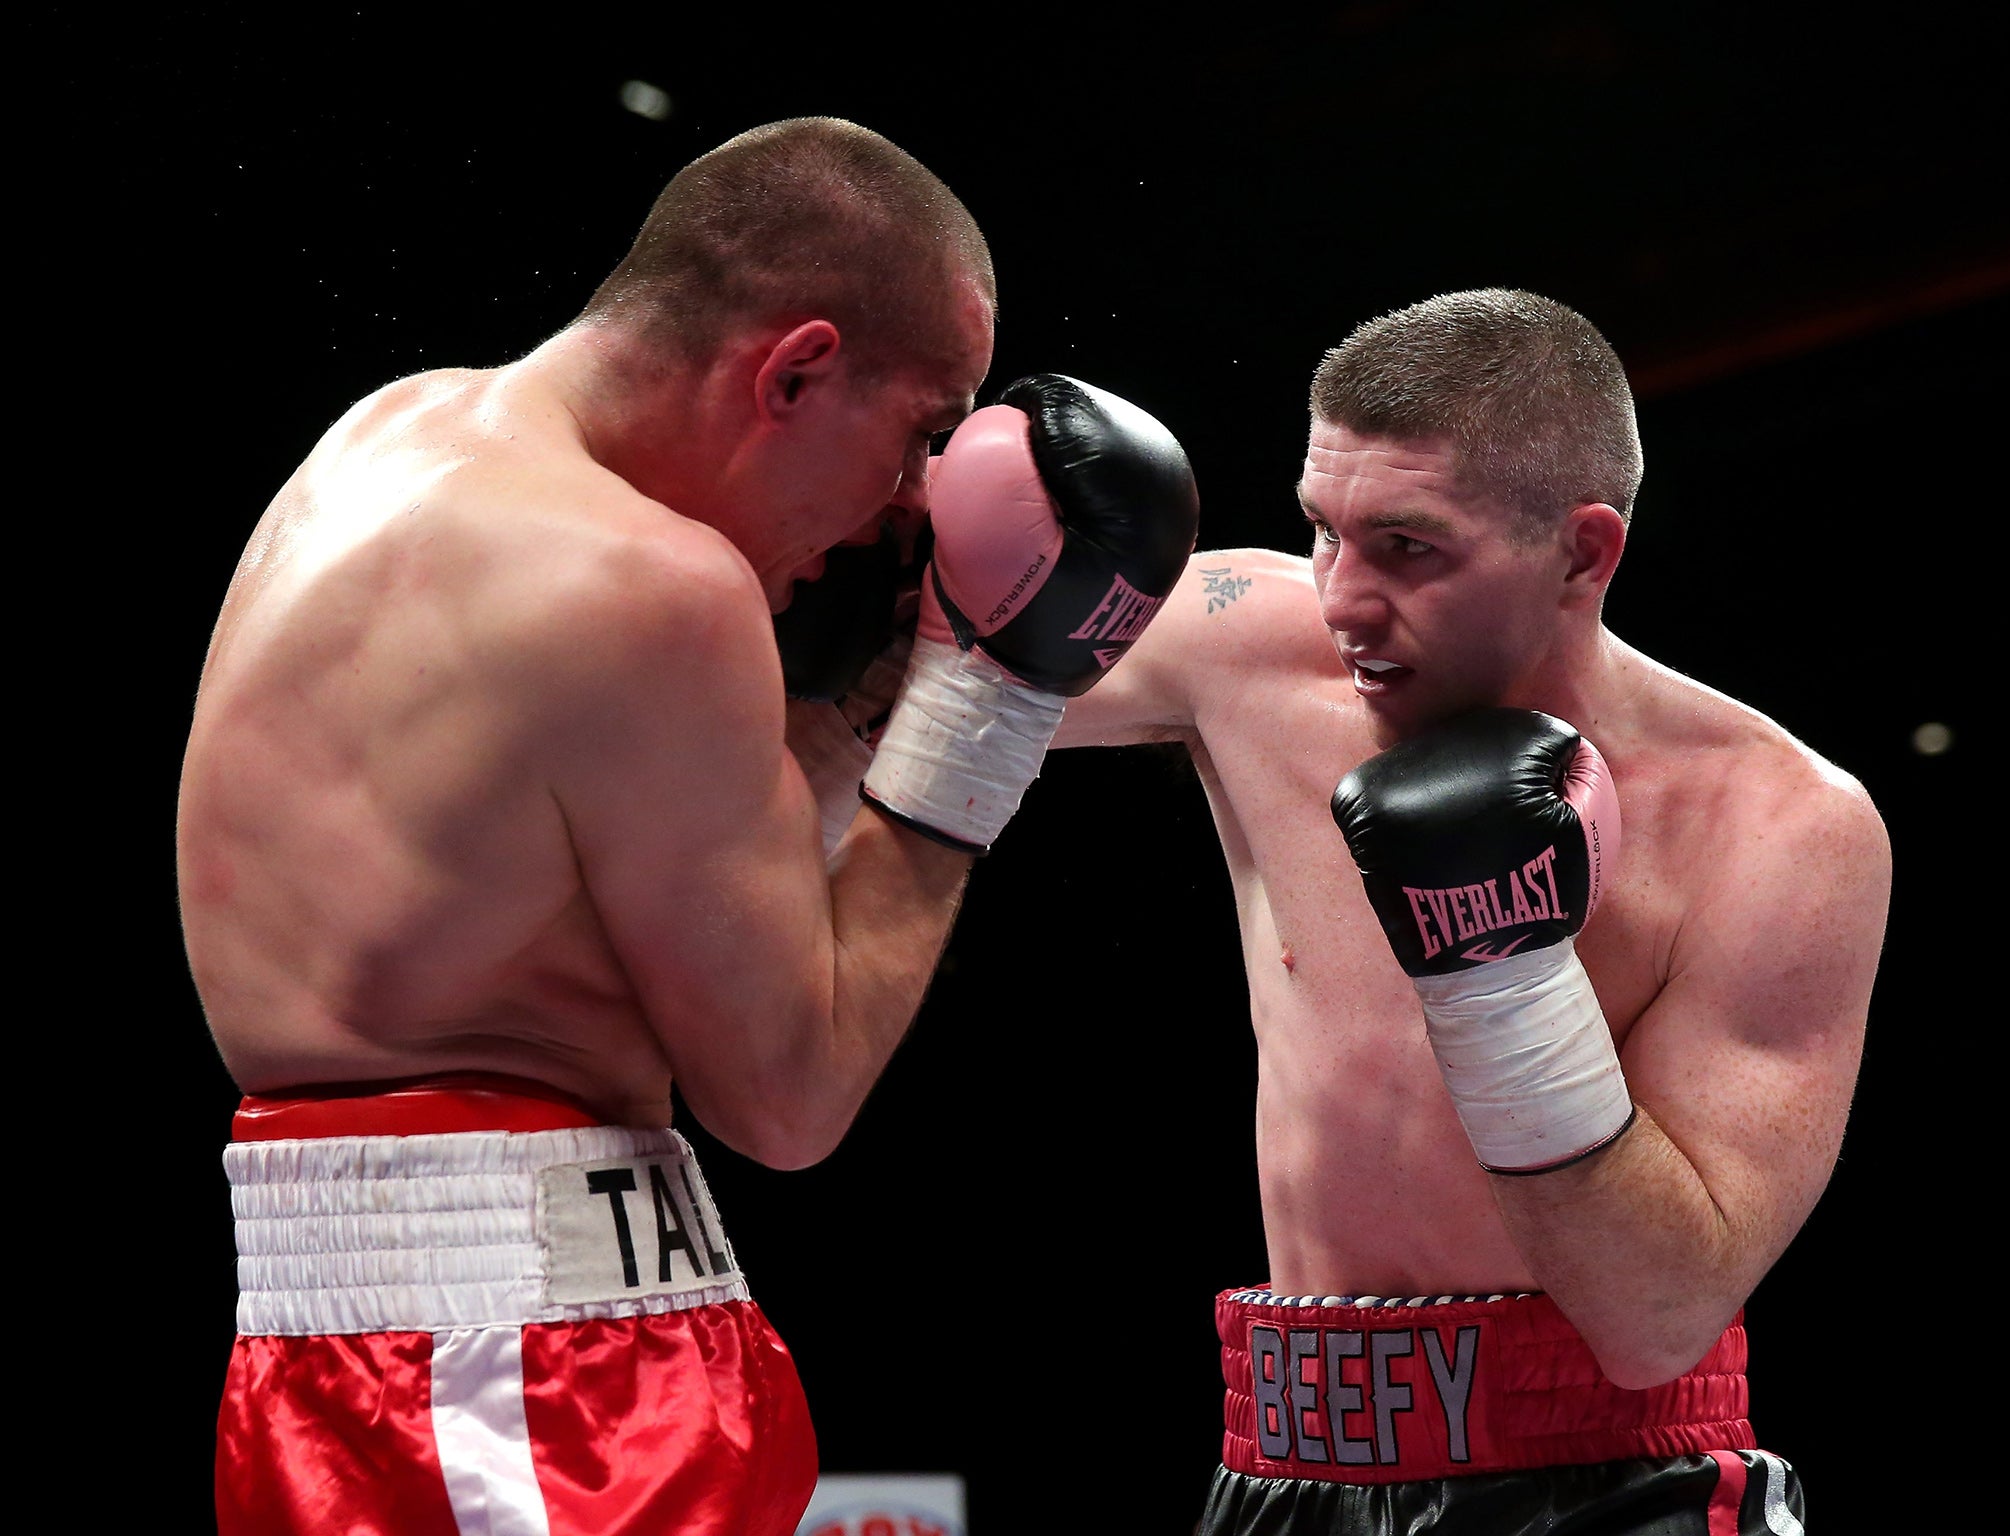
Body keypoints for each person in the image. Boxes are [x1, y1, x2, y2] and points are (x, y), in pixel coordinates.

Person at [176, 116, 1198, 1534]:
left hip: (376, 1367)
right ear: (796, 370)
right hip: (529, 1387)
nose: (911, 503)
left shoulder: (389, 437)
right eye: (921, 432)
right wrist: (987, 710)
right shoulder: (654, 588)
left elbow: (629, 847)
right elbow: (787, 1100)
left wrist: (869, 710)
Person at [1049, 288, 1890, 1532]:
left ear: (1582, 554)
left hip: (1615, 1484)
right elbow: (870, 682)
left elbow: (1655, 1315)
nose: (1339, 599)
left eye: (1406, 547)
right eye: (1322, 531)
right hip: (1283, 1461)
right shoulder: (1246, 649)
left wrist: (1500, 979)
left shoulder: (1776, 827)